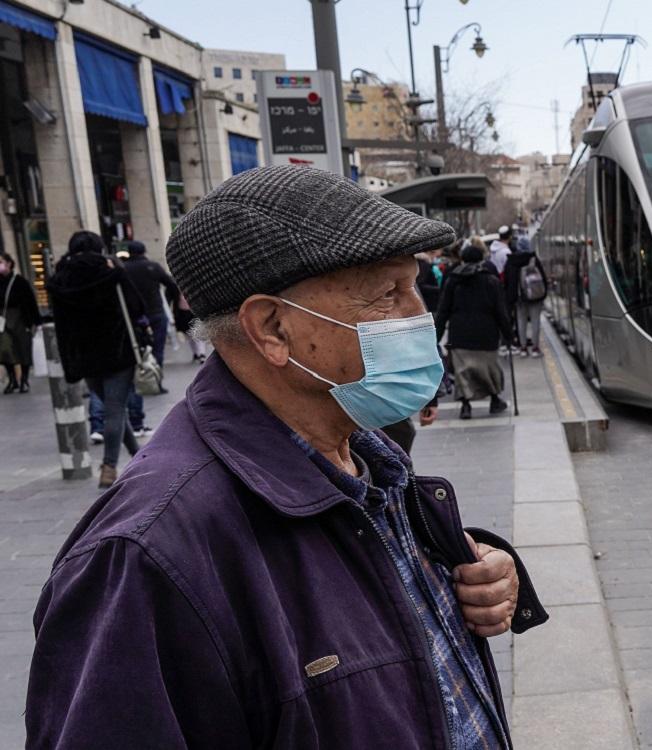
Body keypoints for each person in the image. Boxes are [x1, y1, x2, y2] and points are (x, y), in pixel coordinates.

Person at [27, 166, 545, 749]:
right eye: (386, 293)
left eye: (416, 286)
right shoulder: (146, 556)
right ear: (273, 329)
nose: (419, 315)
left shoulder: (368, 458)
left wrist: (460, 580)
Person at [47, 231, 146, 487]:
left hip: (83, 355)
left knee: (113, 407)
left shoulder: (60, 278)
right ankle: (109, 467)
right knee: (115, 409)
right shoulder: (110, 270)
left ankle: (139, 457)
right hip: (117, 350)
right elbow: (136, 306)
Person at [436, 242, 512, 419]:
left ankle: (466, 405)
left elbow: (443, 310)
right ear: (481, 260)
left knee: (463, 372)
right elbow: (500, 311)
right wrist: (508, 334)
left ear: (463, 260)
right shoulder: (491, 281)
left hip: (460, 334)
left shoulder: (453, 281)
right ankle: (494, 400)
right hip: (487, 334)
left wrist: (437, 335)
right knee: (489, 369)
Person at [121, 240, 179, 368]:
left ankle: (142, 373)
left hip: (134, 315)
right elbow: (171, 284)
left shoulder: (123, 269)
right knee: (158, 347)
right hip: (156, 311)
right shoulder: (152, 267)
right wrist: (170, 302)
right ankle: (156, 377)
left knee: (138, 347)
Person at [0, 251, 40, 393]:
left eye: (1, 262)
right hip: (2, 321)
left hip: (20, 320)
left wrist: (35, 322)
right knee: (5, 351)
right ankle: (12, 379)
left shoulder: (20, 282)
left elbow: (30, 302)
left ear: (9, 264)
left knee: (23, 350)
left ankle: (23, 379)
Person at [503, 239, 548, 357]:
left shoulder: (511, 260)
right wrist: (544, 293)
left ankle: (522, 348)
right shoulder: (533, 259)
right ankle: (535, 348)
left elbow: (507, 281)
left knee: (521, 321)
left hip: (519, 298)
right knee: (535, 321)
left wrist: (510, 297)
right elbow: (543, 277)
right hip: (534, 296)